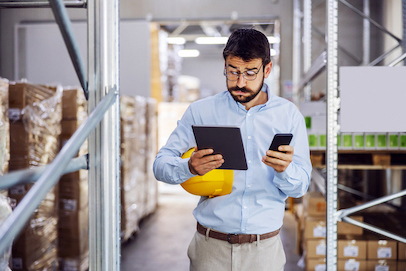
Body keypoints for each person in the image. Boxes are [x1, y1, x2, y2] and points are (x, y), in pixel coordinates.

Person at [153, 28, 312, 271]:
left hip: (264, 252)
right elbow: (160, 165)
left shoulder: (288, 116)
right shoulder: (201, 112)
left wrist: (285, 170)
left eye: (250, 73)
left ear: (267, 70)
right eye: (232, 72)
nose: (240, 82)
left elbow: (300, 186)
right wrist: (188, 167)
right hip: (210, 249)